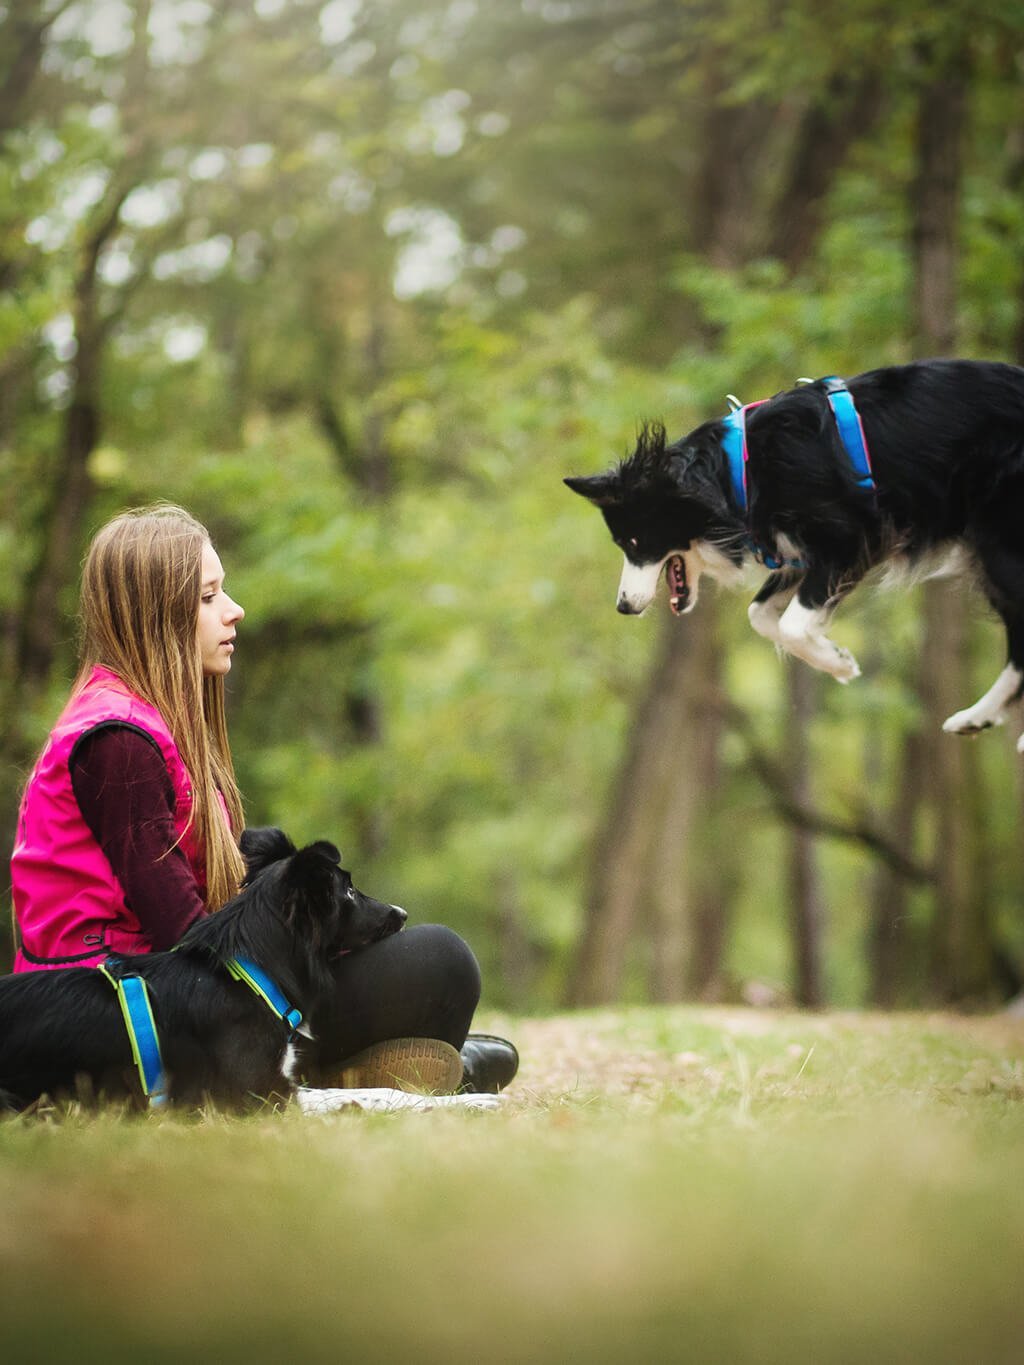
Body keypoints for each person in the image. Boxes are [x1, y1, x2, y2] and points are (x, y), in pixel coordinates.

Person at [9, 504, 517, 1094]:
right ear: (156, 617)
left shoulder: (137, 721)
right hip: (120, 1021)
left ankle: (327, 1068)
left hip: (171, 1003)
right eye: (208, 597)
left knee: (418, 963)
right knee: (442, 965)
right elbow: (187, 939)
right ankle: (303, 1075)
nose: (234, 610)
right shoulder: (118, 742)